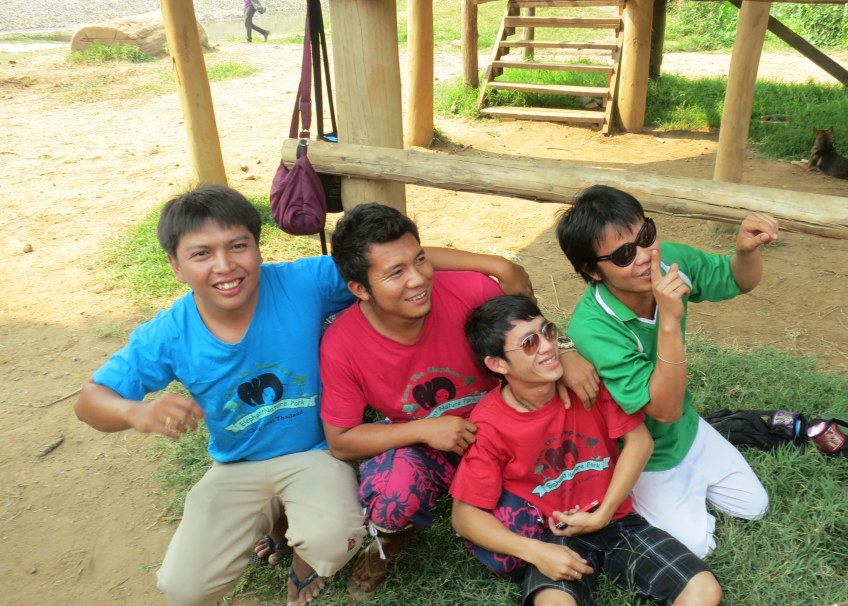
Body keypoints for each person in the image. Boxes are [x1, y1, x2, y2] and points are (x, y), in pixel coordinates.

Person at [73, 185, 535, 606]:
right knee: (183, 589)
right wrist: (135, 412)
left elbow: (389, 262)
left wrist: (495, 265)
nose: (225, 265)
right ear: (175, 266)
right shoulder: (169, 333)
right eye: (201, 254)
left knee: (331, 538)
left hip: (315, 456)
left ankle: (303, 552)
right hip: (237, 465)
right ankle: (277, 525)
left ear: (258, 247)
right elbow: (90, 400)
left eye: (238, 246)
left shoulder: (300, 283)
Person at [319, 203, 600, 597]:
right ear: (360, 289)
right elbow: (341, 441)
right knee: (393, 492)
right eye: (396, 273)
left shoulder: (472, 290)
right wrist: (424, 430)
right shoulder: (342, 345)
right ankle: (391, 537)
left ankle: (476, 517)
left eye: (420, 259)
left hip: (502, 439)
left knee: (511, 556)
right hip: (424, 446)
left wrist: (566, 349)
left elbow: (531, 330)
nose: (418, 279)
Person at [451, 295, 722, 606]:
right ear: (497, 364)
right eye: (529, 343)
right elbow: (464, 516)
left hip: (617, 520)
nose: (547, 346)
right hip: (554, 535)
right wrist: (536, 552)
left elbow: (640, 442)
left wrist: (604, 514)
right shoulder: (490, 424)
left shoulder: (586, 383)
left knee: (704, 590)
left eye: (547, 331)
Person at [555, 184, 777, 558]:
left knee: (755, 507)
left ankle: (695, 473)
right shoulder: (594, 329)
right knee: (697, 547)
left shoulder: (667, 261)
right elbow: (664, 410)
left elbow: (737, 279)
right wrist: (669, 323)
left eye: (645, 235)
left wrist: (744, 251)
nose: (644, 256)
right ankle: (649, 497)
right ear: (592, 271)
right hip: (644, 453)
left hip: (686, 427)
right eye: (624, 254)